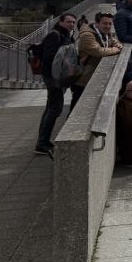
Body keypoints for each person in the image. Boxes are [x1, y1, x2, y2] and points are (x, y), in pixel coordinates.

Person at [34, 11, 79, 157]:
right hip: (53, 77)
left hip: (58, 77)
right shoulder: (55, 35)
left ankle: (42, 141)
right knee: (55, 109)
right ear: (61, 22)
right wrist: (66, 63)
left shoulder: (66, 35)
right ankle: (42, 143)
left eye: (73, 22)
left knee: (50, 108)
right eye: (68, 22)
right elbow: (49, 56)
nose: (71, 24)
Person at [74, 11, 121, 94]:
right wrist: (115, 49)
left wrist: (117, 45)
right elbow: (98, 51)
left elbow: (113, 41)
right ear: (96, 23)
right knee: (78, 101)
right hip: (84, 77)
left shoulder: (105, 33)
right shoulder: (87, 35)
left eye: (110, 24)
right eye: (105, 23)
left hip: (95, 75)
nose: (108, 26)